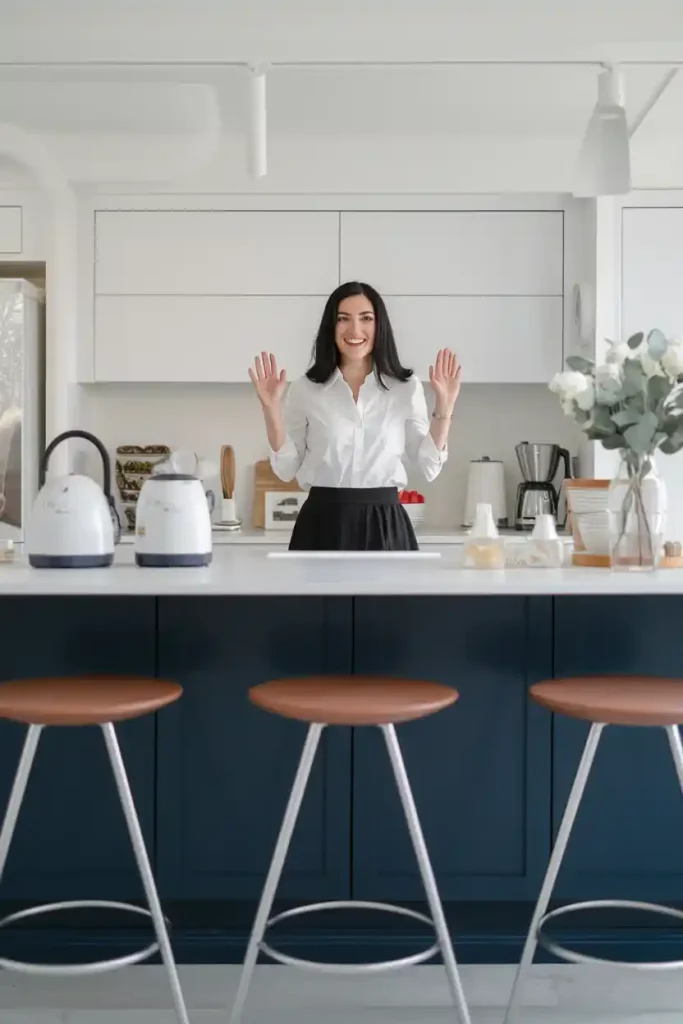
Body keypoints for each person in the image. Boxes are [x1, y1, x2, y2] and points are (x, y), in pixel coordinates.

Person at [249, 280, 461, 550]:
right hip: (321, 522)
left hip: (386, 523)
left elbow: (429, 466)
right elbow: (287, 467)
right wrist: (271, 409)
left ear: (379, 325)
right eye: (343, 319)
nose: (355, 329)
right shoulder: (307, 389)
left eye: (366, 318)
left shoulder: (405, 388)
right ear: (331, 327)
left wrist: (445, 405)